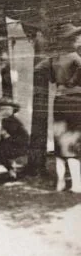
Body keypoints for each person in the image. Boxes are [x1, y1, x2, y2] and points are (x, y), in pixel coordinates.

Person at [48, 24, 81, 192]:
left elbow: (53, 80)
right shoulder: (77, 59)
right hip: (75, 101)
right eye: (77, 37)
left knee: (60, 141)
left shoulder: (54, 59)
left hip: (59, 101)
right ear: (72, 40)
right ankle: (76, 184)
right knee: (73, 142)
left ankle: (60, 182)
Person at [0, 97, 29, 182]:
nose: (5, 111)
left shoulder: (12, 121)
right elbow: (4, 139)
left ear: (13, 110)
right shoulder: (5, 120)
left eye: (8, 109)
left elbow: (16, 137)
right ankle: (11, 172)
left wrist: (5, 135)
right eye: (2, 109)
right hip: (11, 145)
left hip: (19, 146)